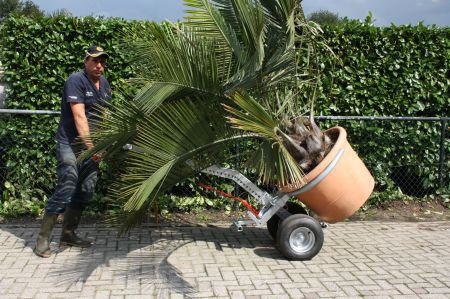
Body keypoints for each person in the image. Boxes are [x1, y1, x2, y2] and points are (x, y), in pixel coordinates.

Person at [34, 45, 112, 258]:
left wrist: (102, 144)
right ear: (85, 61)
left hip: (92, 146)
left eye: (102, 62)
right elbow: (80, 117)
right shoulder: (75, 81)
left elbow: (104, 117)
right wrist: (92, 148)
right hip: (70, 144)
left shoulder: (104, 84)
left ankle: (68, 234)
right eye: (95, 60)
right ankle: (42, 239)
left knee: (86, 189)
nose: (99, 65)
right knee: (67, 186)